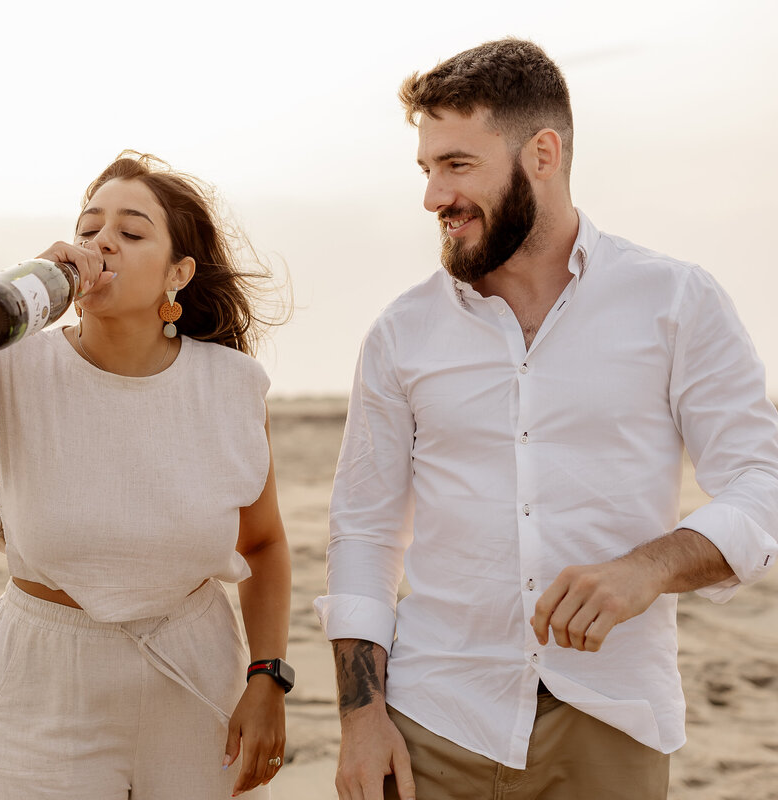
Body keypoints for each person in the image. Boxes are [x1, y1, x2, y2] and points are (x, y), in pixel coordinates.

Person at [316, 38, 778, 800]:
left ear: (542, 152)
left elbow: (761, 486)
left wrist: (649, 568)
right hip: (433, 722)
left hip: (611, 720)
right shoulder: (402, 332)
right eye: (427, 169)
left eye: (458, 165)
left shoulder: (676, 302)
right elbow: (363, 530)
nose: (434, 196)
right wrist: (361, 720)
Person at [0, 151, 293, 799]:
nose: (101, 242)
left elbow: (264, 544)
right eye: (88, 230)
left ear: (179, 273)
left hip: (195, 666)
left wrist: (266, 677)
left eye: (132, 232)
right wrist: (4, 293)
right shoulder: (12, 370)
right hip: (44, 676)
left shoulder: (232, 386)